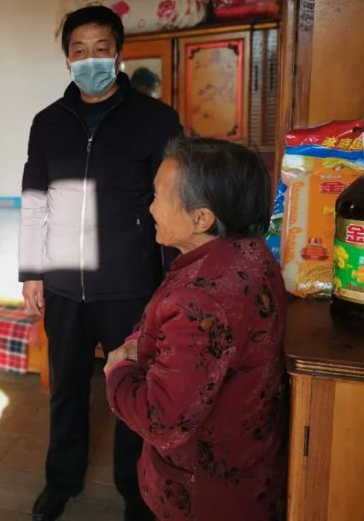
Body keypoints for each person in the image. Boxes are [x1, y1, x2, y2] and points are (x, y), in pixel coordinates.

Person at [19, 5, 182, 521]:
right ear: (67, 57)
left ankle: (136, 492)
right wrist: (31, 270)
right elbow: (34, 199)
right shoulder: (48, 123)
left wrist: (173, 280)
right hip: (63, 283)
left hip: (130, 284)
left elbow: (173, 203)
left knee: (132, 390)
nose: (90, 59)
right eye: (79, 50)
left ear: (118, 54)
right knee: (66, 389)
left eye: (101, 49)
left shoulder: (156, 120)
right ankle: (61, 482)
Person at [104, 137, 288, 521]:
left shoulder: (202, 300)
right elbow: (167, 320)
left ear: (201, 219)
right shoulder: (250, 252)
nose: (150, 207)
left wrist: (118, 371)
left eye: (159, 196)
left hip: (201, 495)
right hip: (249, 470)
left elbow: (162, 421)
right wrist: (140, 340)